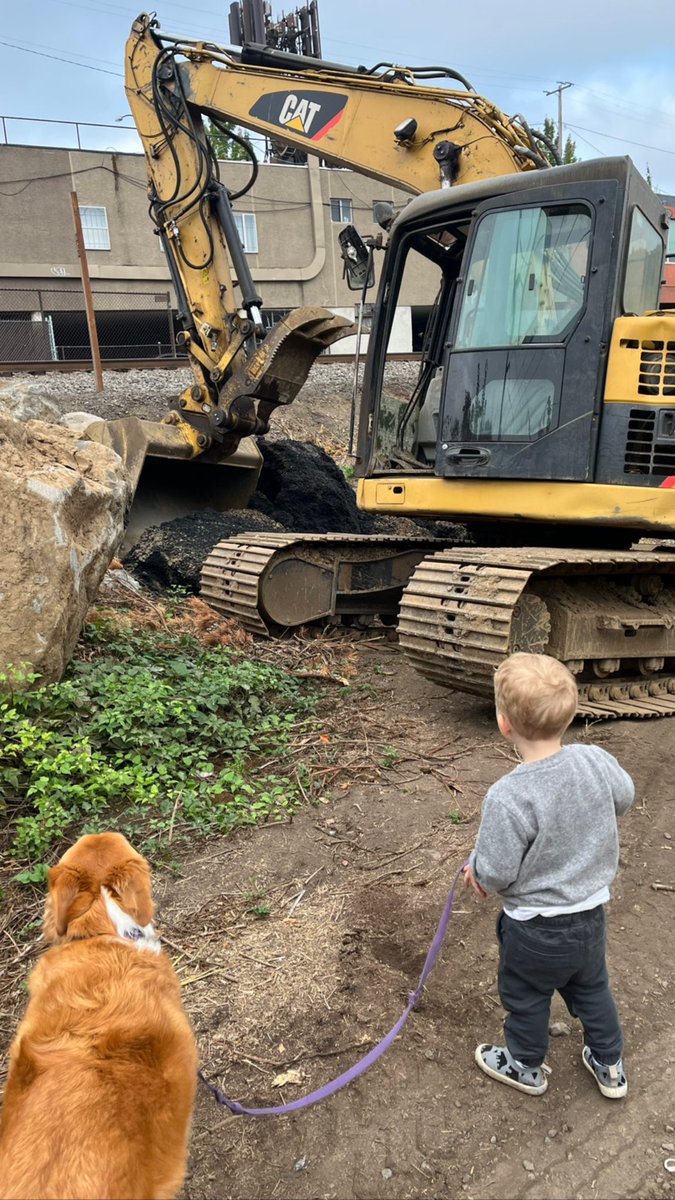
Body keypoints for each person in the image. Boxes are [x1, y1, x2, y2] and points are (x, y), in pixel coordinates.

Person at [463, 652, 634, 1099]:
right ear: (570, 713)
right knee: (593, 988)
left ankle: (525, 1065)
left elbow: (497, 871)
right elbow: (625, 797)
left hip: (534, 929)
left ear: (504, 723)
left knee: (526, 995)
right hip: (590, 918)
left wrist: (476, 871)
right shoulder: (594, 760)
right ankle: (610, 1063)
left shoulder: (509, 795)